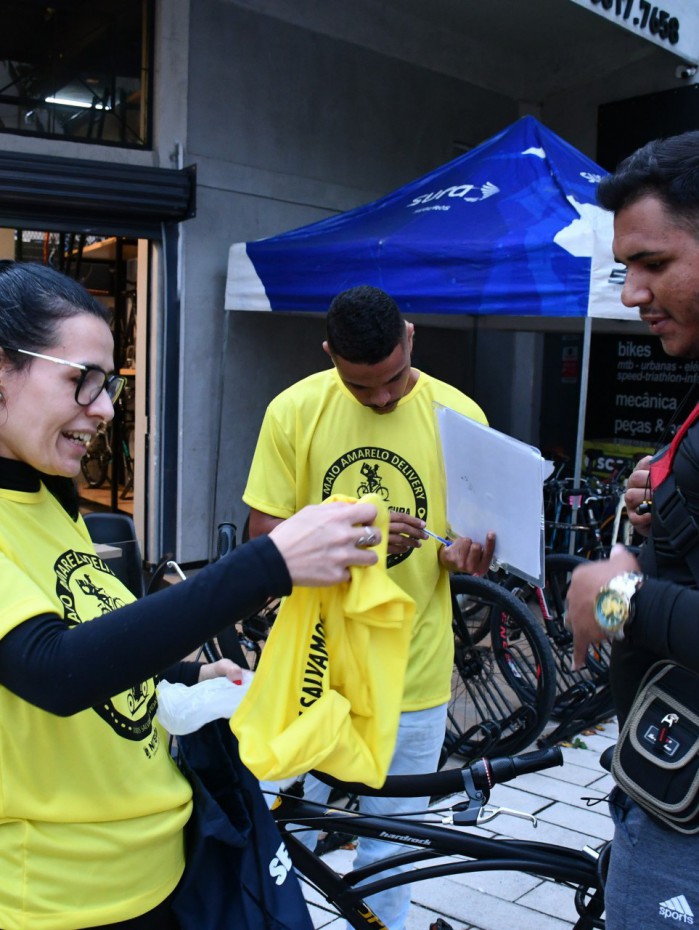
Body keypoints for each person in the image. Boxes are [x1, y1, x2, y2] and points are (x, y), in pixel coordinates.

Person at [0, 260, 383, 930]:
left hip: (165, 864)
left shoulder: (48, 496)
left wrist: (187, 675)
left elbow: (91, 643)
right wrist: (267, 565)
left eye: (109, 384)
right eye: (81, 379)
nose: (104, 408)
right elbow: (52, 668)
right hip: (60, 900)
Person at [243, 284, 495, 930]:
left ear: (410, 338)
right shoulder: (293, 411)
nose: (382, 399)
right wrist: (362, 539)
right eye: (361, 387)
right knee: (276, 835)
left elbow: (471, 538)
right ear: (329, 354)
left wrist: (464, 555)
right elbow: (261, 541)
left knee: (393, 850)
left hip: (411, 675)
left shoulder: (460, 415)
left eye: (394, 379)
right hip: (310, 672)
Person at [565, 131, 699, 930]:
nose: (631, 294)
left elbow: (635, 602)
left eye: (652, 263)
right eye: (625, 268)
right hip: (663, 778)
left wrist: (614, 595)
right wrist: (664, 517)